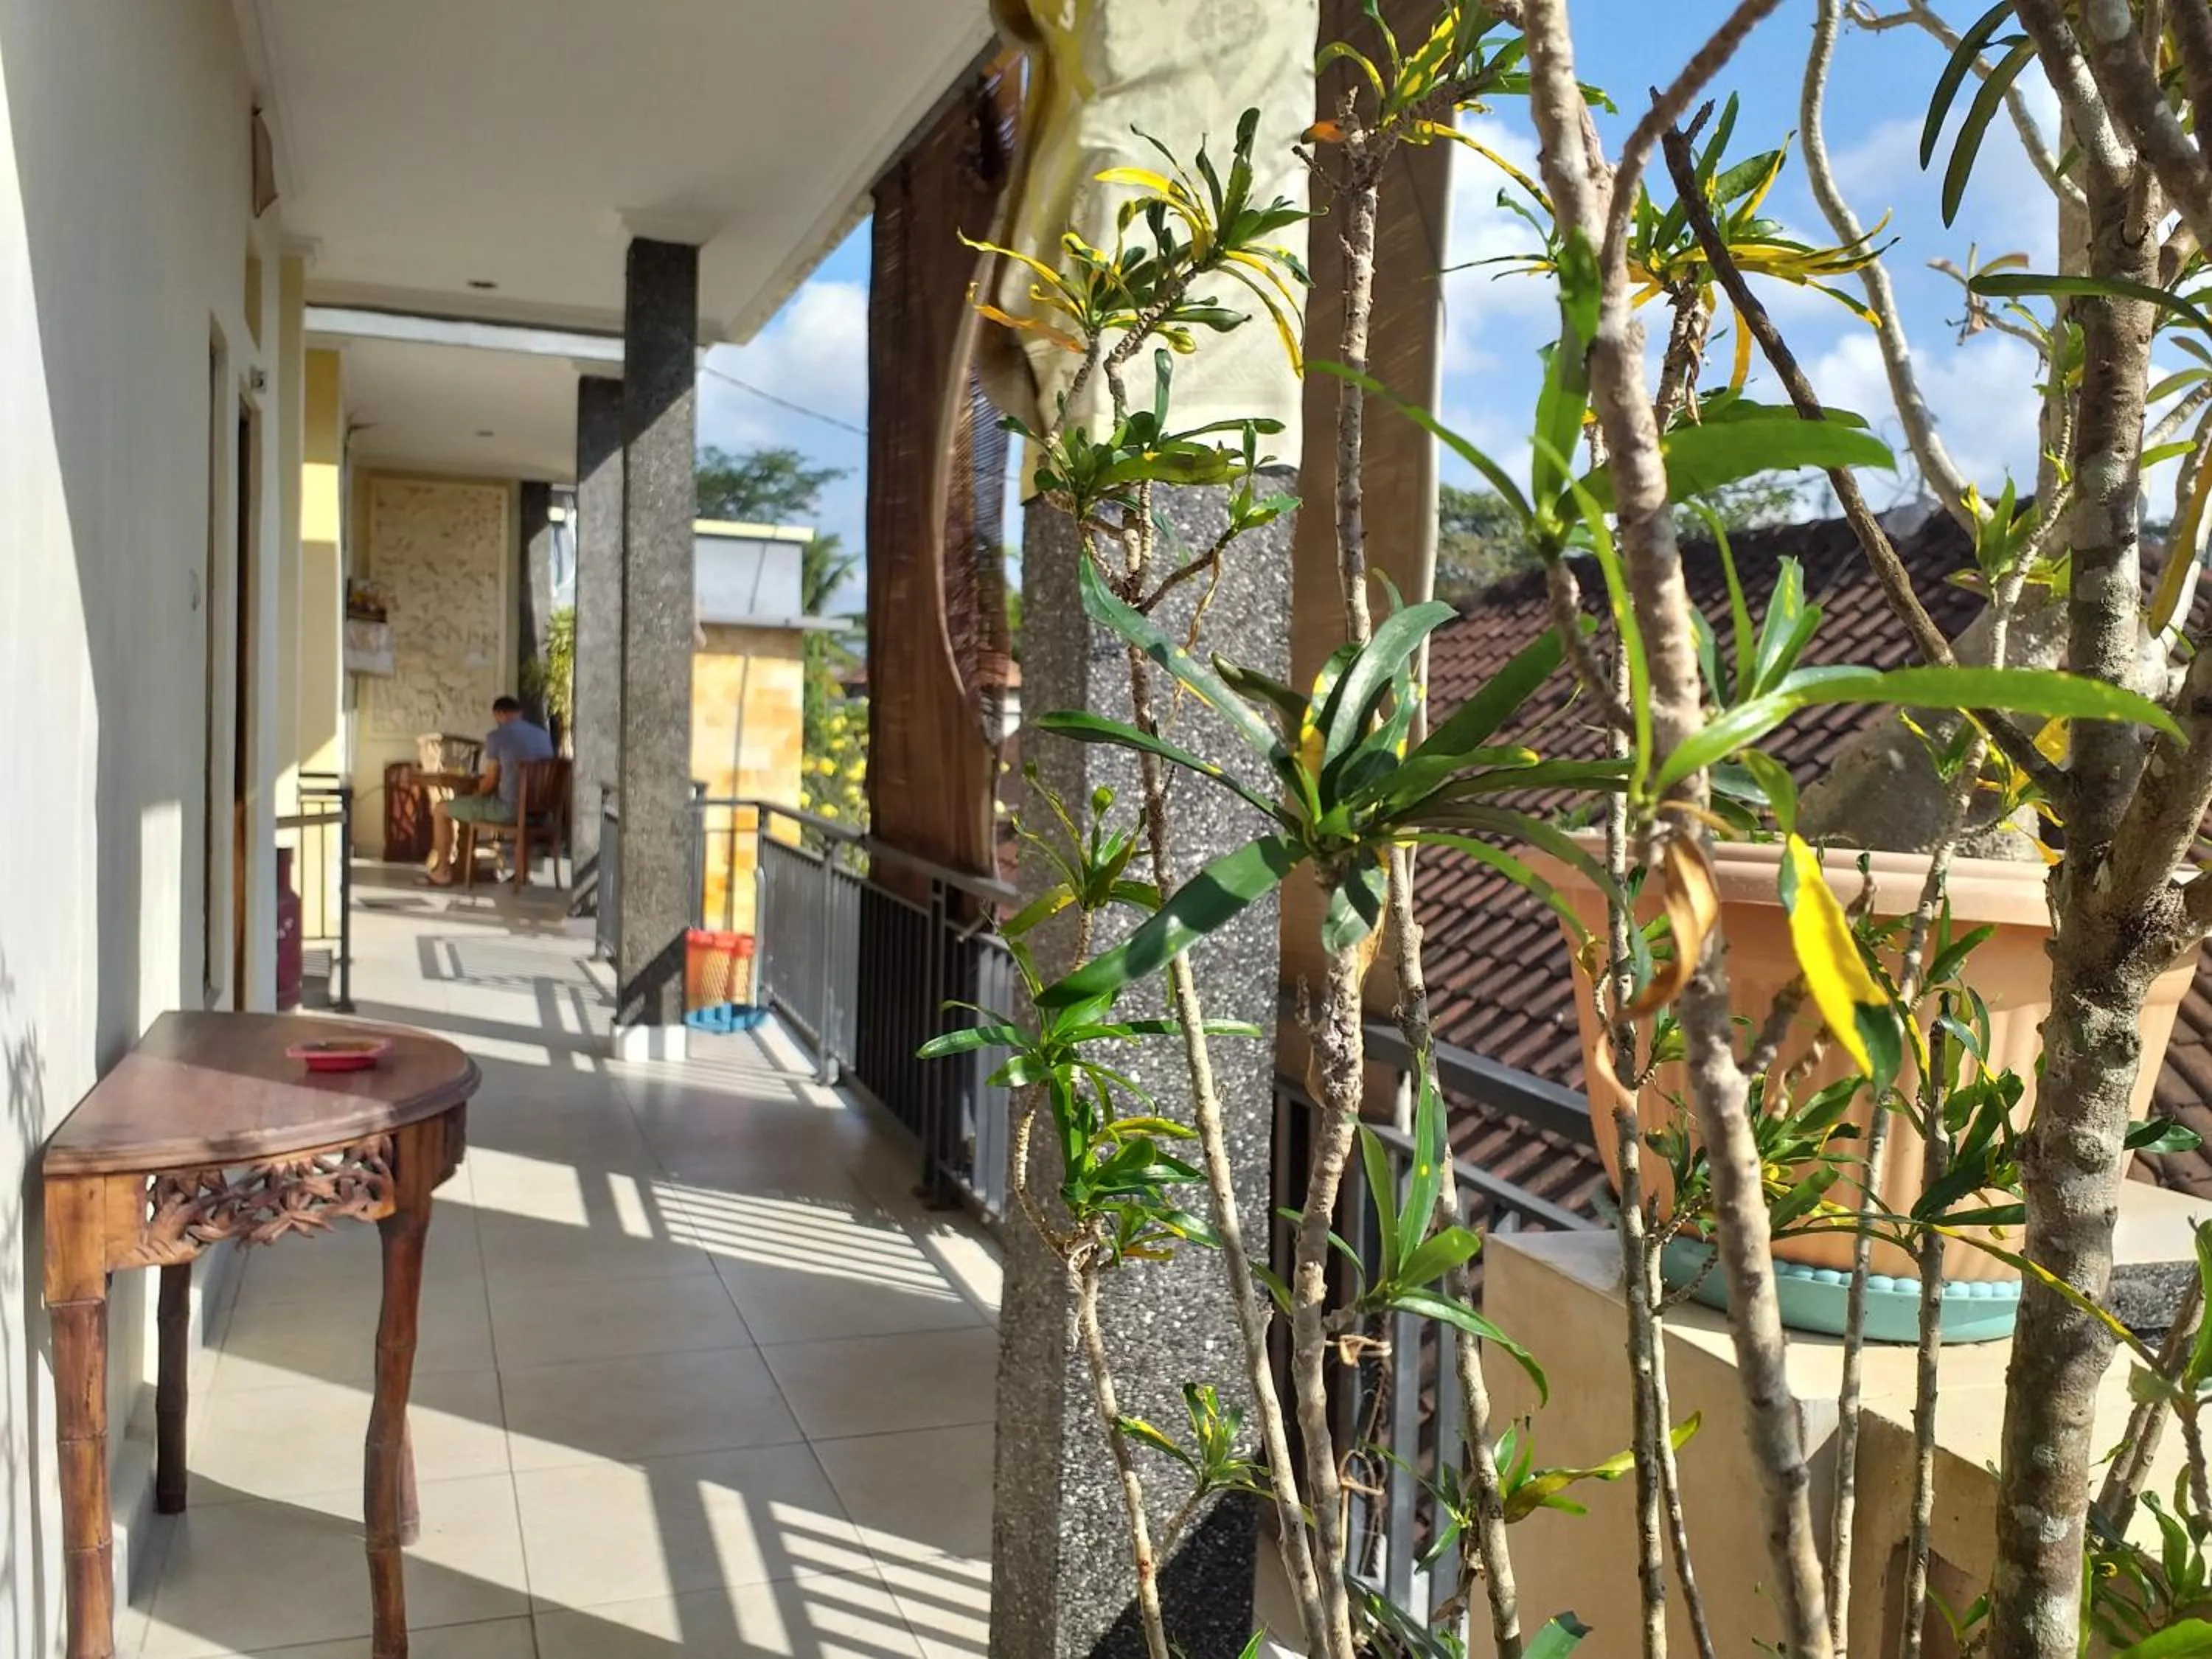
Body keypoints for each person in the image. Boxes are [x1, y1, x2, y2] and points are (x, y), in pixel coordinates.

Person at [422, 696, 554, 887]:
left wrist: (476, 795)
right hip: (540, 813)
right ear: (520, 713)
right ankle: (522, 874)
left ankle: (443, 871)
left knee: (441, 809)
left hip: (509, 811)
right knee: (508, 802)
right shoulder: (542, 736)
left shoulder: (497, 736)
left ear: (499, 714)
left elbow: (491, 780)